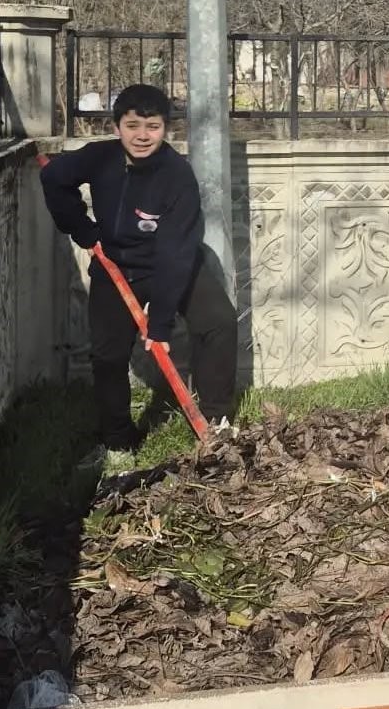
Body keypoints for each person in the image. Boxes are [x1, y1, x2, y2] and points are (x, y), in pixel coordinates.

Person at [40, 83, 237, 457]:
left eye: (153, 126)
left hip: (173, 263)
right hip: (115, 265)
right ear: (117, 127)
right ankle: (118, 440)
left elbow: (175, 252)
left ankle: (216, 424)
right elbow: (53, 178)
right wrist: (82, 230)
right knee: (108, 354)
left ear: (166, 129)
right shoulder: (98, 158)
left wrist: (160, 323)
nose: (142, 136)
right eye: (132, 125)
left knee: (219, 322)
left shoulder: (177, 175)